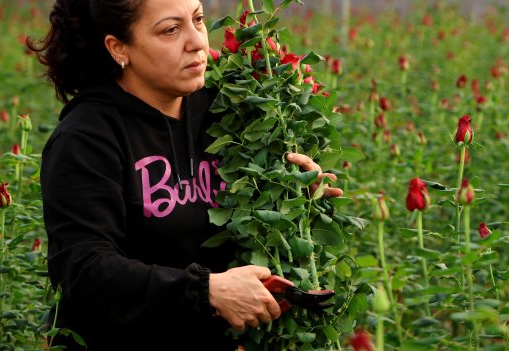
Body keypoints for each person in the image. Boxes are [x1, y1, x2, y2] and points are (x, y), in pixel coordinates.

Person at [29, 0, 342, 349]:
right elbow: (85, 270)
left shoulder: (229, 110)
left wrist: (295, 193)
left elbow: (252, 229)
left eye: (198, 19)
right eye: (171, 30)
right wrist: (205, 290)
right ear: (119, 48)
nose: (197, 42)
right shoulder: (87, 138)